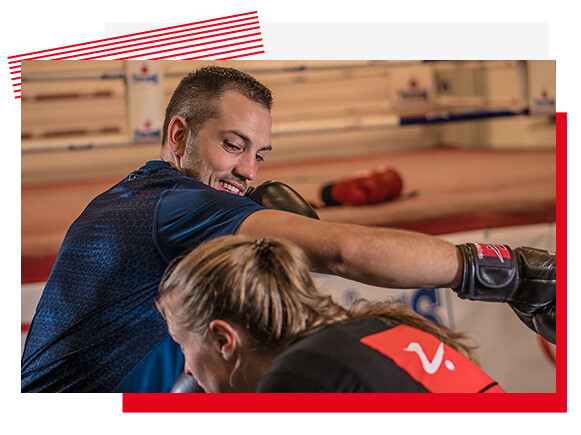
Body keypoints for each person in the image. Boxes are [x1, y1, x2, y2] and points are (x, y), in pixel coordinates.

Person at [21, 66, 555, 393]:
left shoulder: (137, 205)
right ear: (178, 133)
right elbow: (345, 250)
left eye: (259, 153)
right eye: (232, 145)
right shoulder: (170, 206)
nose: (250, 171)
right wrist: (506, 270)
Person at [157, 235, 505, 393]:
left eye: (183, 345)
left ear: (223, 339)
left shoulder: (301, 377)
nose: (186, 368)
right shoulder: (382, 327)